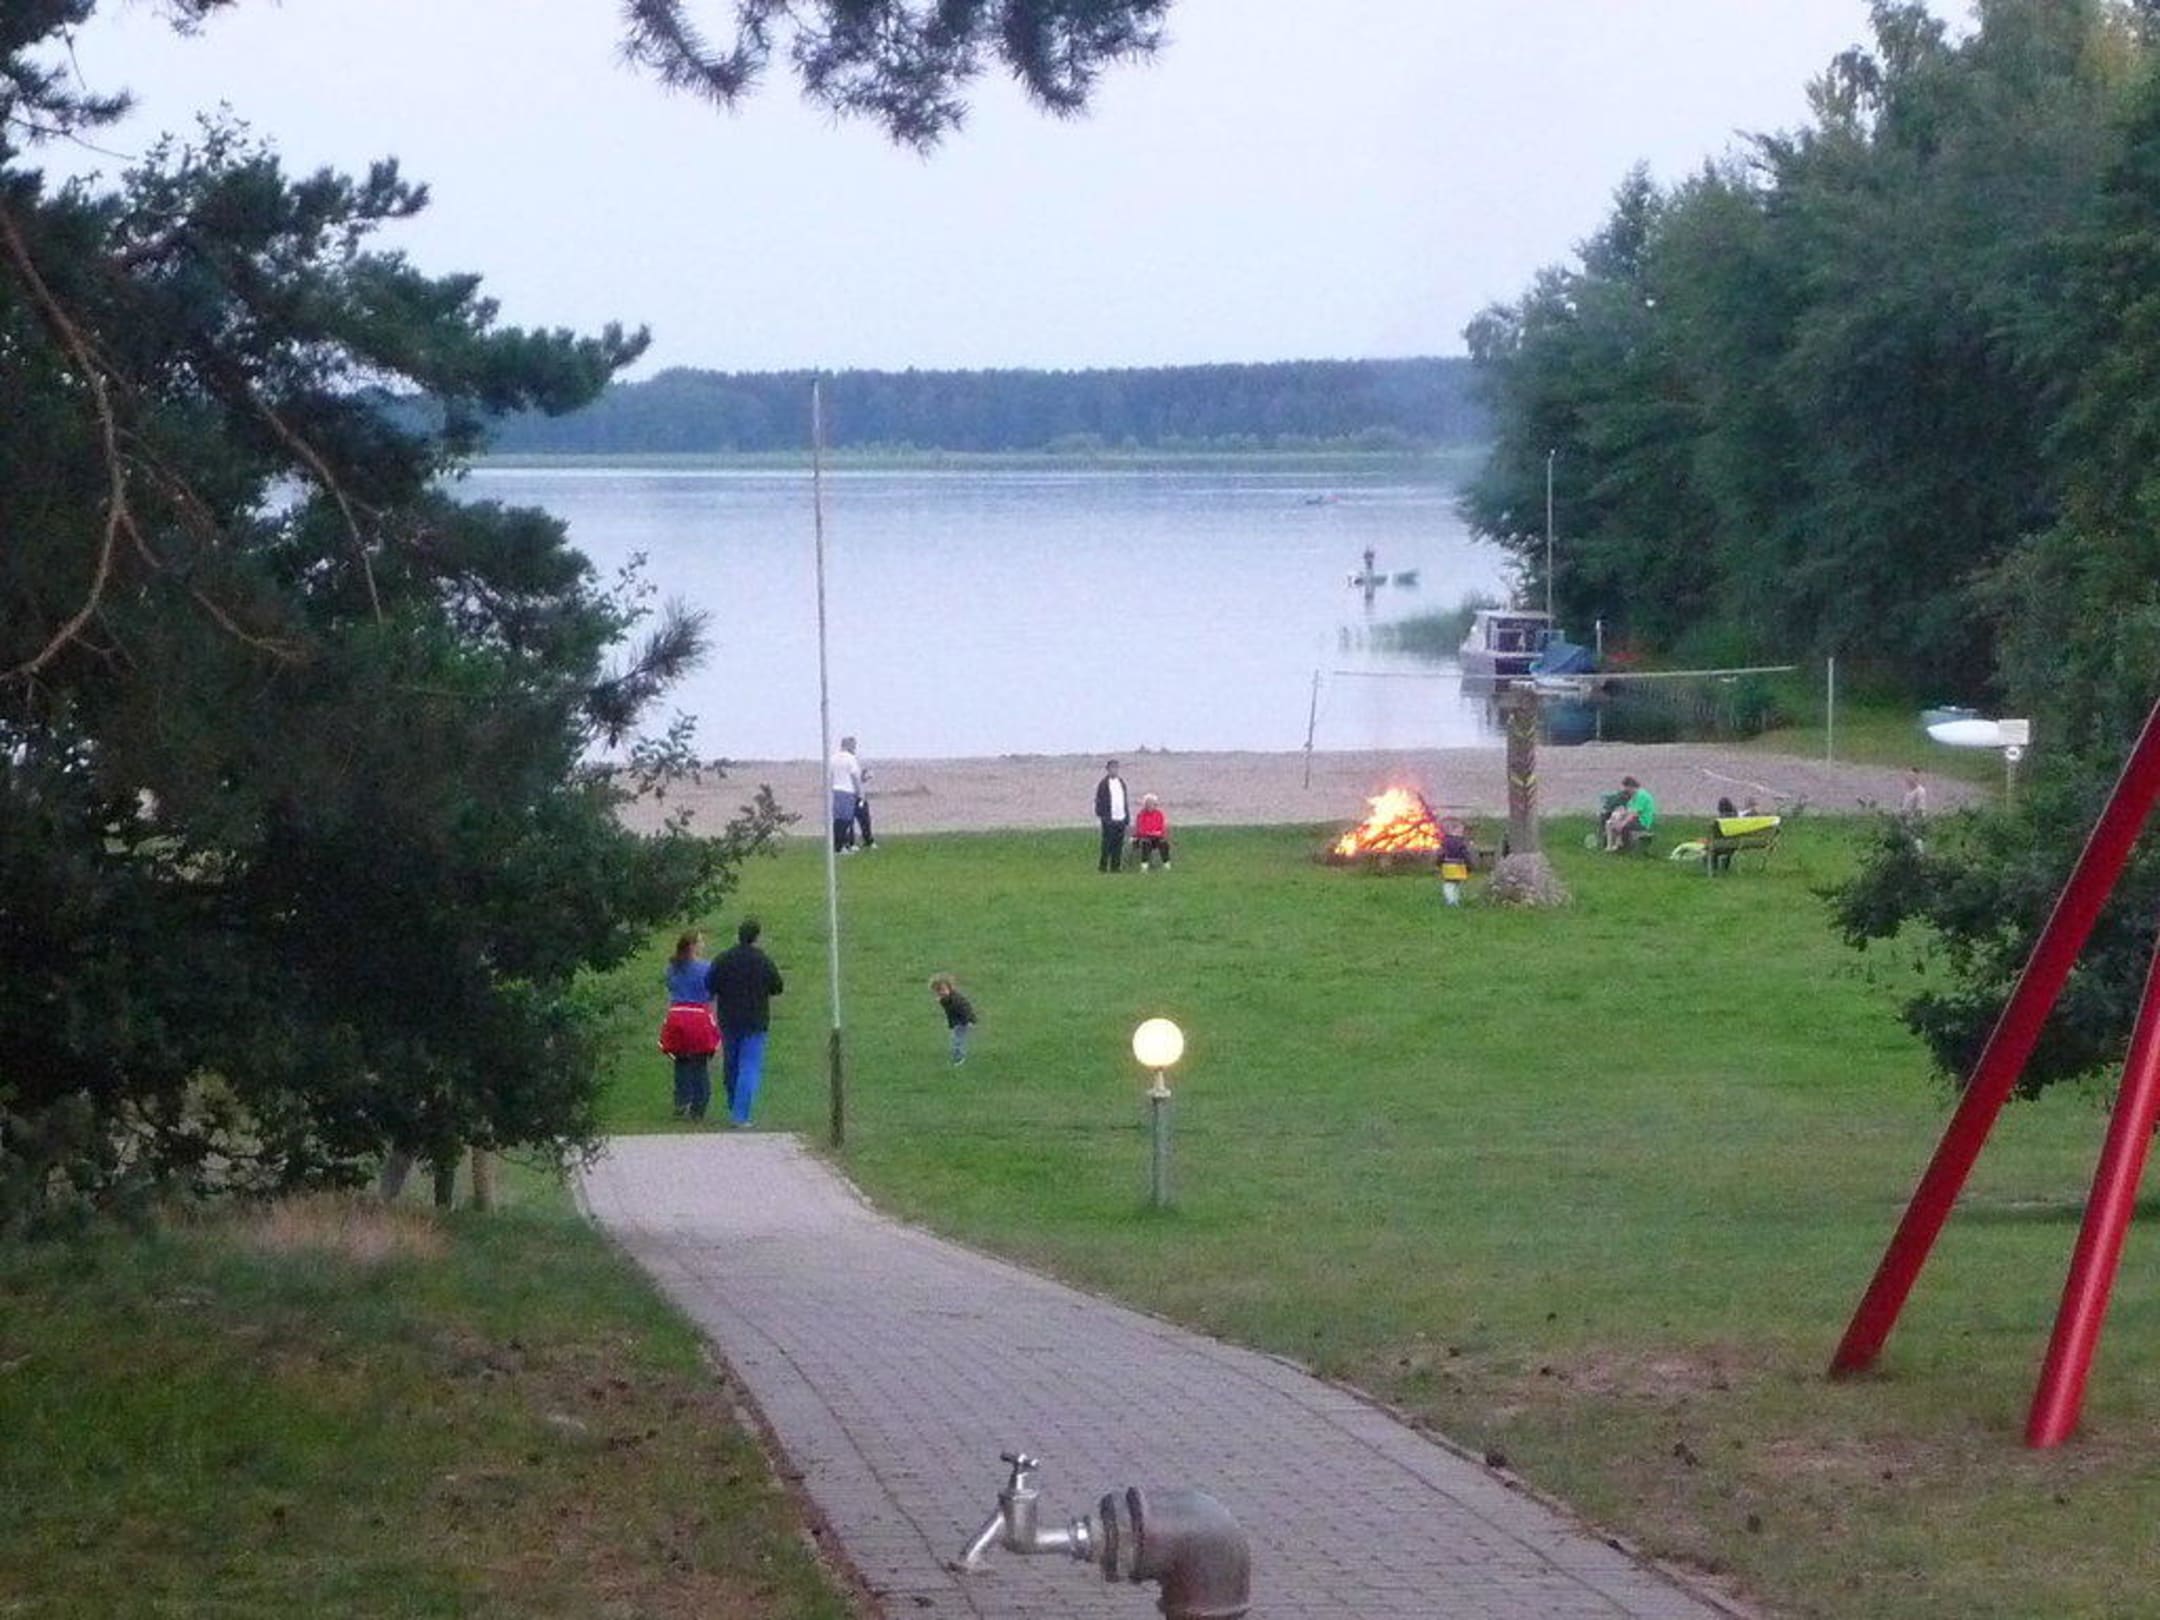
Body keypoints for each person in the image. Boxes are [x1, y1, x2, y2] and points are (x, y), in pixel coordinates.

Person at [710, 918, 784, 1127]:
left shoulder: (724, 959)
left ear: (738, 935)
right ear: (757, 937)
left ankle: (733, 1104)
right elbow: (777, 986)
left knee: (731, 1066)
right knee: (749, 1066)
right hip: (755, 1021)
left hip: (729, 1019)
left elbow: (710, 984)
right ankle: (740, 1115)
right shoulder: (763, 961)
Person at [657, 931, 720, 1122]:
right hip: (698, 1016)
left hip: (676, 1015)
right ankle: (698, 1107)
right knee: (700, 1063)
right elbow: (711, 992)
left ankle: (681, 1100)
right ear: (693, 946)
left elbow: (670, 986)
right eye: (700, 941)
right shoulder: (706, 968)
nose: (703, 944)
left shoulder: (673, 968)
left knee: (681, 1059)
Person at [931, 974, 977, 1066]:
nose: (941, 993)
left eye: (943, 990)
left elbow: (964, 1010)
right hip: (957, 1022)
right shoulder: (947, 999)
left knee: (957, 1040)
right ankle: (957, 1056)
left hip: (962, 1022)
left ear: (950, 988)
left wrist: (969, 1021)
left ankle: (959, 1058)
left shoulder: (956, 1000)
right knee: (956, 1039)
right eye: (938, 991)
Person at [1603, 774, 1656, 852]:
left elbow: (1634, 813)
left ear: (1631, 787)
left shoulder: (1641, 796)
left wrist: (1622, 823)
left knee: (1624, 827)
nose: (1626, 792)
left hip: (1643, 821)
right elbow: (1628, 810)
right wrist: (1617, 815)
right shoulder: (1634, 796)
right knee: (1611, 823)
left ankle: (1623, 847)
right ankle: (1611, 845)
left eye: (1627, 789)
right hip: (1636, 819)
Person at [1094, 759, 1130, 873]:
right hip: (1109, 819)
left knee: (1118, 844)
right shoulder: (1103, 784)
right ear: (1108, 769)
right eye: (1112, 768)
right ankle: (1103, 866)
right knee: (1107, 844)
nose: (1114, 770)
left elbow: (1124, 800)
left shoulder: (1121, 783)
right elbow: (1099, 801)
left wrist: (1127, 816)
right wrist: (1103, 816)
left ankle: (1115, 866)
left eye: (1116, 768)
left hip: (1121, 818)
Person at [830, 737, 862, 853]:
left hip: (836, 790)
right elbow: (855, 776)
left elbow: (830, 775)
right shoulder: (850, 759)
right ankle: (840, 846)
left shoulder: (833, 758)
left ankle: (841, 844)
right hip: (847, 791)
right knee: (846, 819)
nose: (854, 748)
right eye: (853, 746)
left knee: (838, 819)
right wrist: (860, 792)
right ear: (848, 745)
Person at [1437, 819, 1473, 906]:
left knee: (1449, 883)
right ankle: (1454, 900)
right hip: (1459, 865)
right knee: (1456, 884)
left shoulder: (1444, 842)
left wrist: (1439, 863)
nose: (1462, 833)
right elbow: (1465, 854)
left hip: (1447, 865)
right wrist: (1469, 864)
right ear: (1454, 830)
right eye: (1461, 830)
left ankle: (1450, 900)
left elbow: (1441, 853)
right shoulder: (1461, 843)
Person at [1132, 793, 1172, 871]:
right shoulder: (1141, 814)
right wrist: (1149, 833)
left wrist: (1158, 833)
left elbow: (1161, 828)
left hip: (1157, 837)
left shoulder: (1159, 814)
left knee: (1163, 844)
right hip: (1144, 837)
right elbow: (1140, 829)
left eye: (1152, 804)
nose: (1150, 806)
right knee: (1146, 843)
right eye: (1148, 804)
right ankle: (1144, 866)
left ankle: (1166, 865)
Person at [851, 739, 876, 850]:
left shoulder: (857, 760)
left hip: (860, 797)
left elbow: (863, 775)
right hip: (849, 796)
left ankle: (869, 841)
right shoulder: (845, 762)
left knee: (865, 819)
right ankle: (850, 843)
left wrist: (866, 776)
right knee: (849, 821)